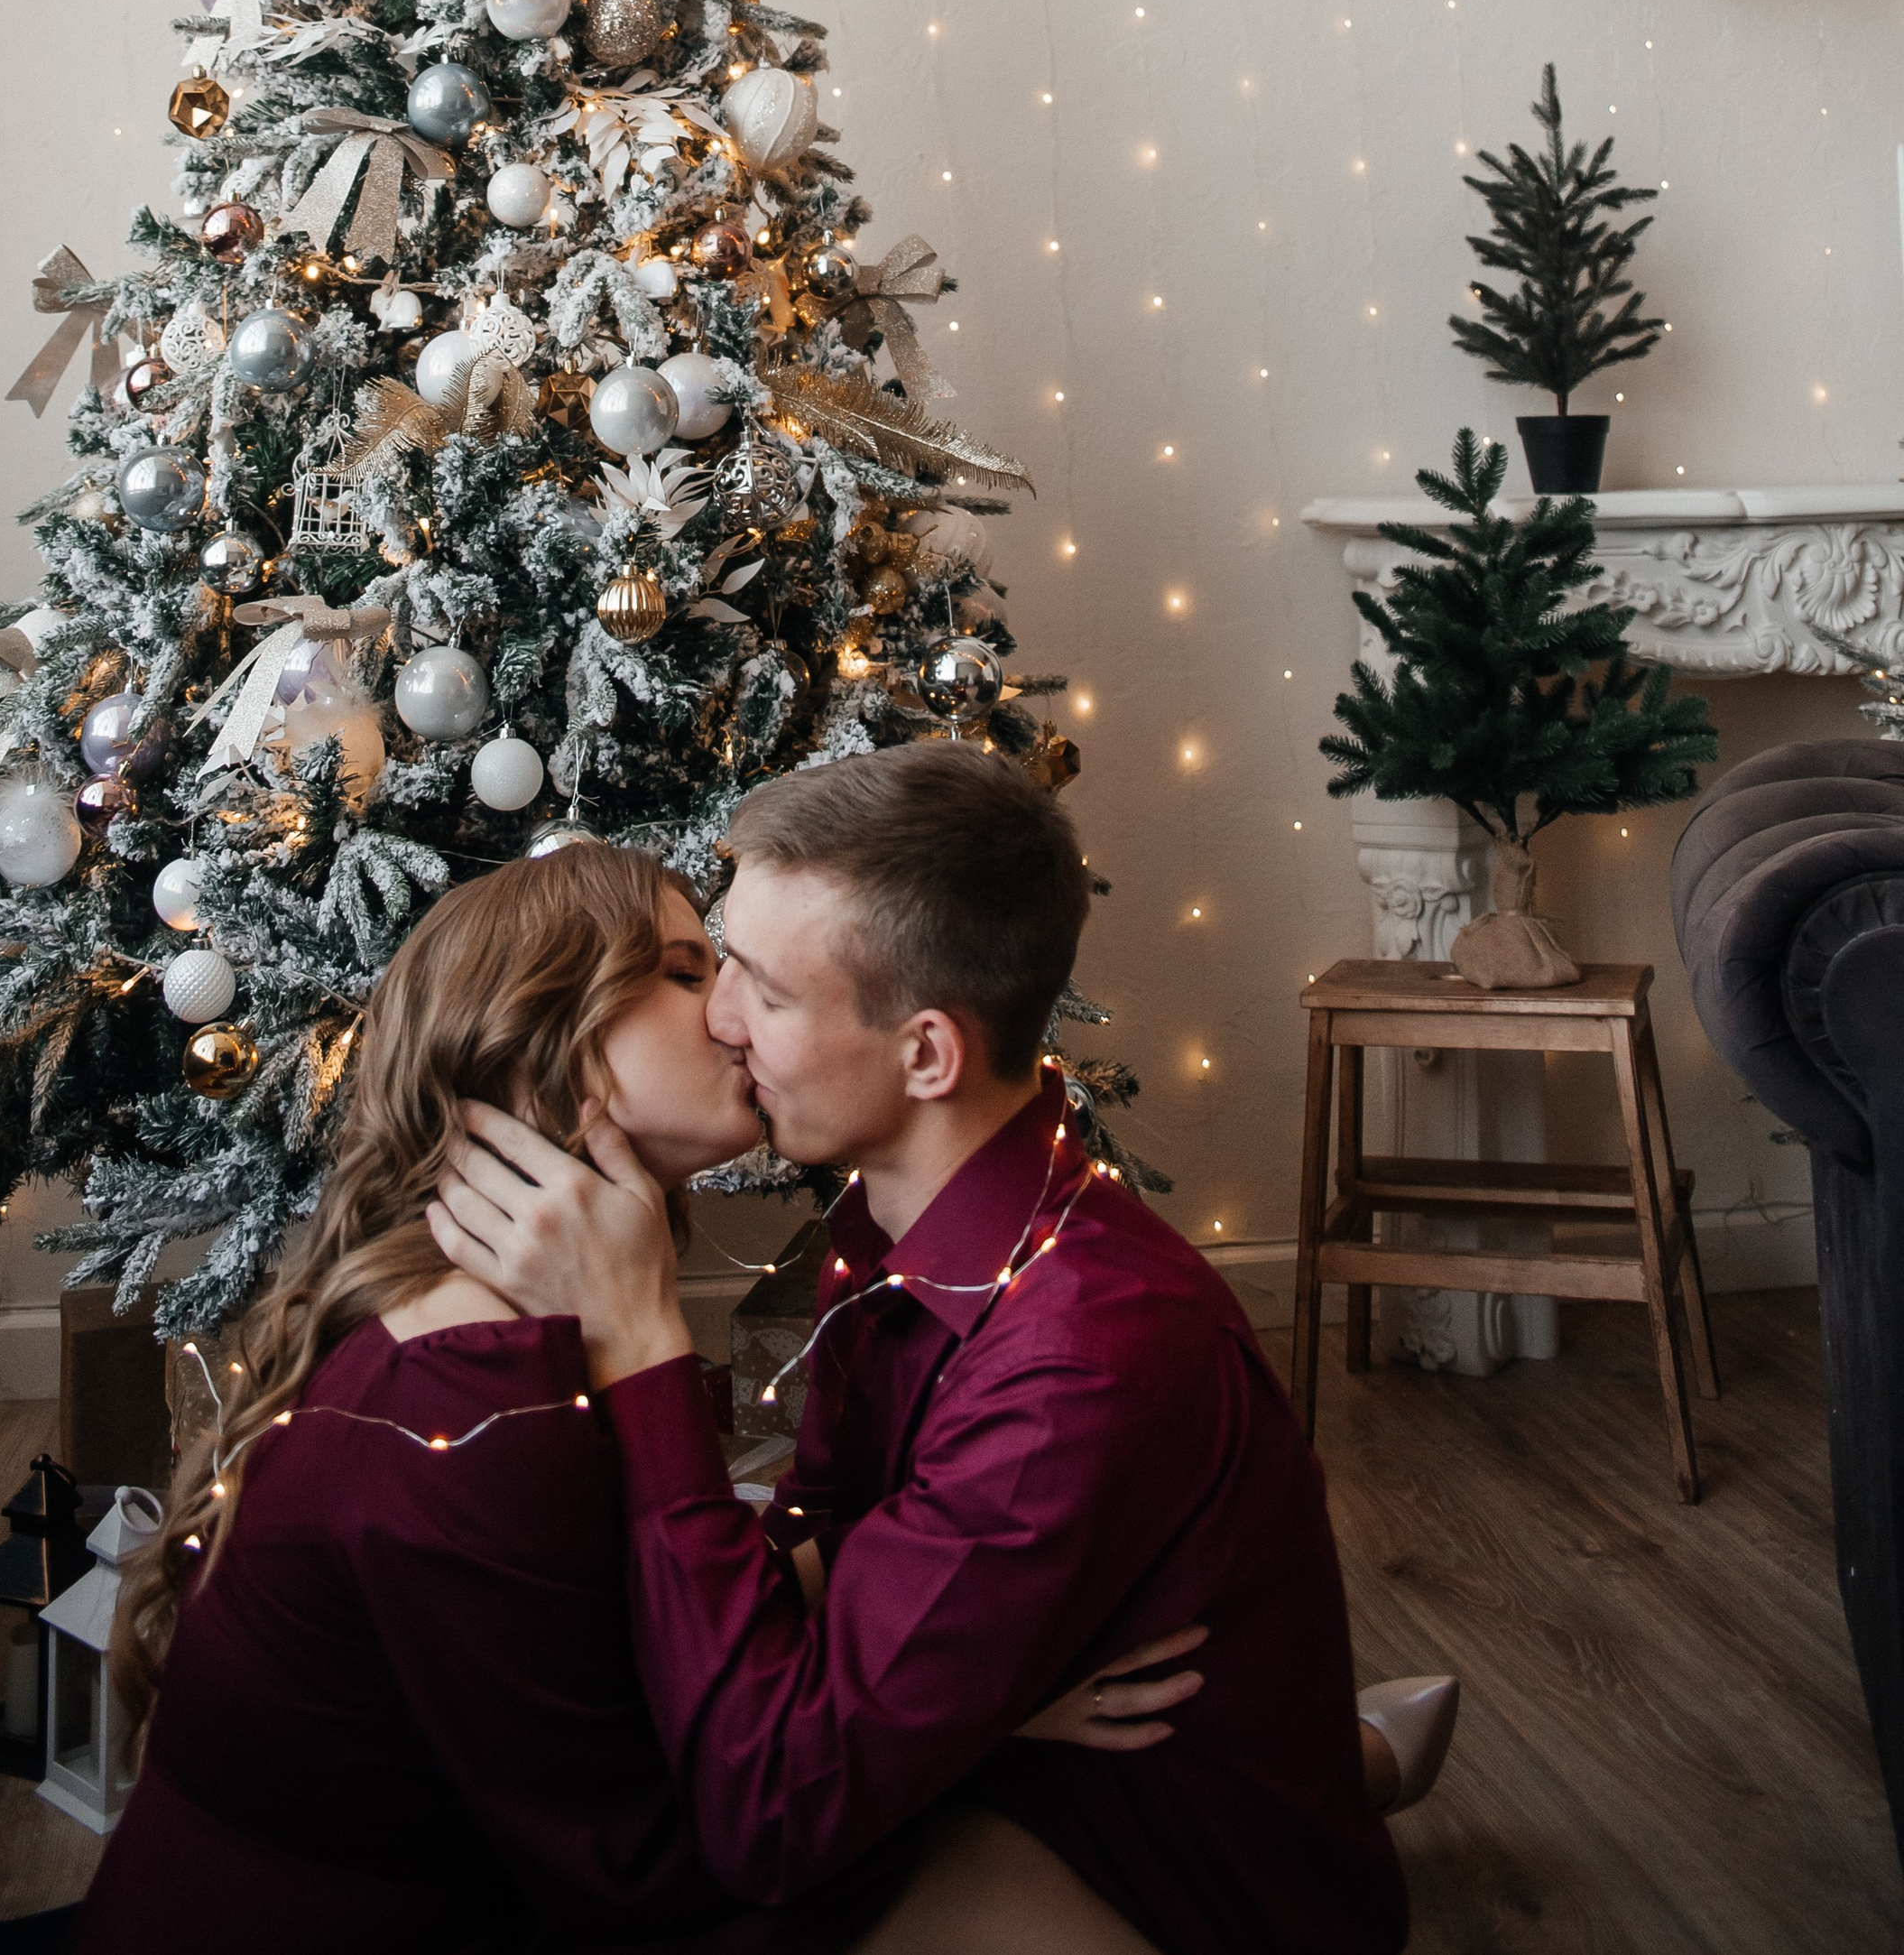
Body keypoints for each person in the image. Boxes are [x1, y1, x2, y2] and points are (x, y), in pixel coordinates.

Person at [80, 835, 1197, 1954]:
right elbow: (640, 1872)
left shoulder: (519, 1333)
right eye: (680, 972)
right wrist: (967, 1733)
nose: (730, 1014)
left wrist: (944, 1668)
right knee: (998, 1878)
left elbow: (626, 1625)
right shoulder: (470, 1403)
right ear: (542, 1039)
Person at [430, 743, 1422, 1955]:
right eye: (723, 956)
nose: (719, 1017)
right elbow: (826, 1535)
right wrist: (988, 1705)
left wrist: (644, 1348)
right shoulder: (895, 1218)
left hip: (1166, 1891)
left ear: (927, 1054)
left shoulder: (1079, 1358)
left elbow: (772, 1816)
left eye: (764, 986)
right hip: (1002, 1791)